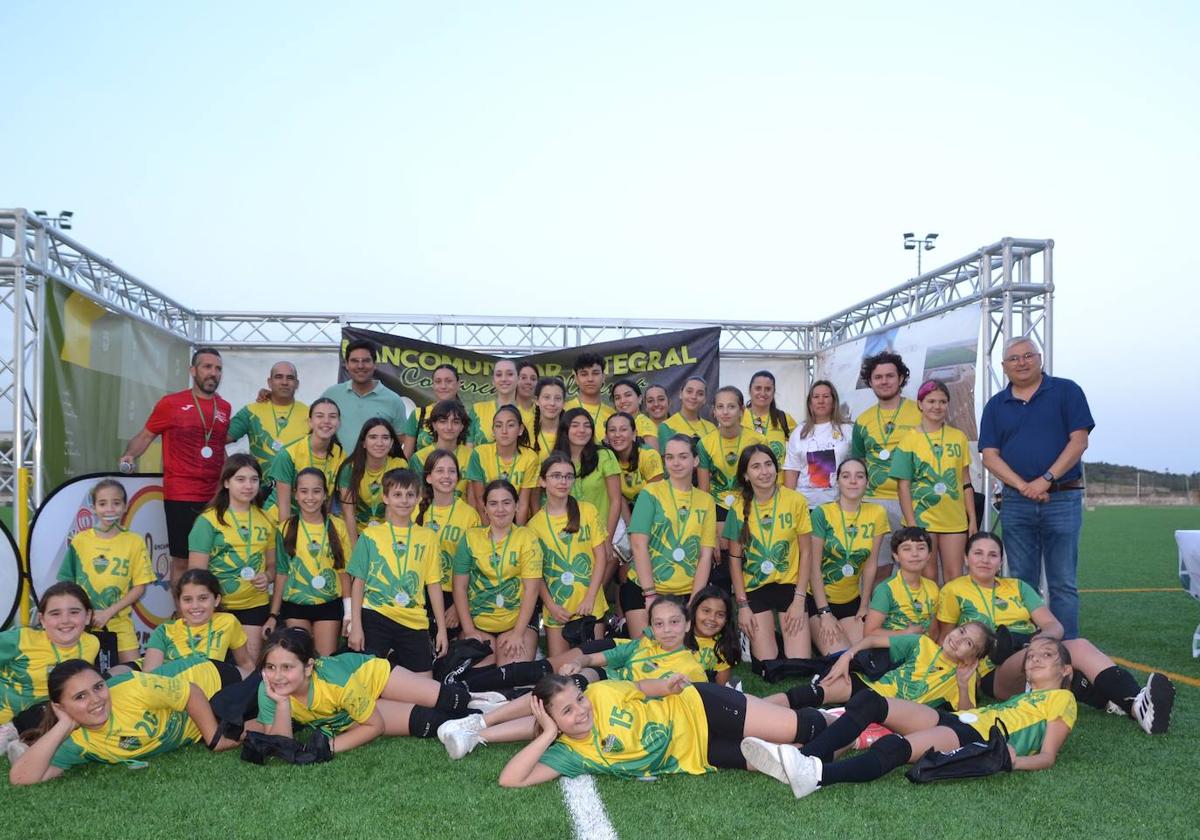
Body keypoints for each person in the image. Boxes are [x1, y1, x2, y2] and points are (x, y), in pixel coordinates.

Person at [742, 635, 1077, 798]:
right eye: (1031, 654)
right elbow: (970, 714)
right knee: (873, 702)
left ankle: (816, 776)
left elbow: (1048, 756)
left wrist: (1015, 762)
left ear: (1065, 669)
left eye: (1046, 655)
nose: (1034, 659)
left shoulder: (1063, 698)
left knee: (896, 748)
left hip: (976, 738)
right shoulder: (1024, 696)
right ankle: (803, 760)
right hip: (960, 723)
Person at [938, 531, 1175, 734]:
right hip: (994, 673)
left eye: (993, 555)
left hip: (1032, 649)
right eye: (978, 553)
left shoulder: (1018, 587)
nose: (985, 560)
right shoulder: (953, 590)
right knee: (1068, 652)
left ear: (1001, 561)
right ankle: (1130, 702)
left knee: (1073, 648)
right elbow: (944, 640)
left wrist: (1041, 639)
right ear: (966, 557)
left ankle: (1135, 705)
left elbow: (1055, 626)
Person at [493, 671, 827, 786]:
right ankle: (859, 734)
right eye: (566, 711)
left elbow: (641, 687)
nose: (581, 710)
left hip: (700, 707)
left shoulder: (602, 692)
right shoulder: (569, 754)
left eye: (578, 699)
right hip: (701, 754)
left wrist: (667, 687)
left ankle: (845, 717)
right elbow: (510, 779)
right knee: (796, 759)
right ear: (552, 720)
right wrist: (549, 734)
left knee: (804, 727)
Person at [979, 336, 1094, 640]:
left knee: (1063, 583)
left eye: (1028, 355)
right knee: (1021, 582)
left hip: (1063, 497)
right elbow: (989, 455)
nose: (1022, 362)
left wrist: (1046, 479)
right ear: (1004, 367)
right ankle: (1026, 647)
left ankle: (1067, 649)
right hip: (1017, 502)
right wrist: (1023, 486)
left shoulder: (1067, 391)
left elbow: (1079, 441)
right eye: (1014, 358)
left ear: (1040, 358)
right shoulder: (995, 406)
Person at [255, 628, 496, 753]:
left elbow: (376, 727)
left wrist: (329, 747)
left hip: (373, 677)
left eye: (287, 667)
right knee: (429, 723)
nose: (277, 676)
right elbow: (280, 743)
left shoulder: (334, 681)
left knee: (452, 699)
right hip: (352, 712)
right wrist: (282, 704)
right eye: (271, 667)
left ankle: (501, 703)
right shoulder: (269, 689)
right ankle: (484, 720)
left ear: (308, 667)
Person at [9, 655, 241, 784]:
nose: (95, 700)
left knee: (268, 693)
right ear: (60, 707)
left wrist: (214, 739)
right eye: (80, 696)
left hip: (212, 679)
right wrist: (64, 726)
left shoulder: (132, 688)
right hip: (212, 716)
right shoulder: (77, 741)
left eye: (98, 687)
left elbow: (192, 692)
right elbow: (21, 778)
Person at [120, 347, 231, 583]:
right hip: (181, 493)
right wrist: (129, 455)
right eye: (207, 367)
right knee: (182, 560)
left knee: (211, 559)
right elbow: (146, 436)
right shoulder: (171, 403)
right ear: (193, 370)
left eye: (218, 368)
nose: (213, 373)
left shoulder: (225, 407)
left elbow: (219, 448)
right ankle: (183, 617)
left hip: (214, 496)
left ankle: (205, 614)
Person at [347, 469, 446, 676]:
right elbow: (358, 582)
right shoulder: (370, 535)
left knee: (424, 686)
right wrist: (356, 625)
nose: (404, 501)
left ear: (419, 498)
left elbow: (434, 584)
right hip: (376, 616)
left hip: (413, 619)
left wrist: (441, 630)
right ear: (385, 497)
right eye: (397, 495)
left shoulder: (427, 536)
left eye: (410, 495)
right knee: (369, 682)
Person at [724, 444, 813, 661]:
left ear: (776, 468)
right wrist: (742, 605)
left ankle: (781, 631)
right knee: (767, 660)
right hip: (756, 586)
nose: (764, 472)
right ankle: (760, 633)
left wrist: (800, 599)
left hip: (789, 584)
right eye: (755, 467)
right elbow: (734, 559)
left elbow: (807, 552)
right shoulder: (737, 507)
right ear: (746, 475)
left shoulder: (796, 500)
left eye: (768, 464)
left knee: (799, 660)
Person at [187, 453, 277, 663]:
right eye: (241, 479)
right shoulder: (208, 521)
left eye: (254, 480)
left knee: (249, 670)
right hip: (217, 608)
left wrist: (268, 576)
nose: (248, 486)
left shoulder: (266, 520)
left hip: (254, 607)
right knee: (213, 669)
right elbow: (196, 576)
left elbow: (273, 565)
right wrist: (208, 605)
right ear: (226, 482)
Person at [625, 435, 717, 639]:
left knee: (687, 659)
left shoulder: (706, 501)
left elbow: (705, 555)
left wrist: (694, 603)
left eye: (683, 457)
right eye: (670, 457)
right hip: (645, 590)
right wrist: (650, 595)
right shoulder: (650, 493)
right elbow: (639, 545)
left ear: (695, 461)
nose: (676, 463)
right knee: (648, 656)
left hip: (687, 592)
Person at [56, 479, 154, 668]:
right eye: (102, 503)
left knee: (134, 675)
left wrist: (108, 612)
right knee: (81, 674)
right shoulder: (80, 540)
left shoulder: (134, 541)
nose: (110, 509)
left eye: (116, 503)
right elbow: (66, 585)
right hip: (83, 625)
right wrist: (84, 615)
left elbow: (140, 588)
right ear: (93, 508)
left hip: (120, 623)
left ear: (125, 507)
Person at [891, 380, 976, 582]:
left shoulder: (959, 437)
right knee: (927, 577)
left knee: (954, 576)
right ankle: (931, 616)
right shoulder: (908, 440)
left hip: (954, 520)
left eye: (942, 401)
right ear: (920, 404)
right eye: (931, 401)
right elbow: (903, 487)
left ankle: (950, 615)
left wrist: (971, 519)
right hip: (922, 520)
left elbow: (965, 481)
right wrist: (912, 524)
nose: (937, 406)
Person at [452, 480, 544, 667]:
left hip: (517, 623)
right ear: (484, 508)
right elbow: (459, 588)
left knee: (511, 674)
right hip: (478, 624)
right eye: (493, 503)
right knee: (479, 675)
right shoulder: (470, 537)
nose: (500, 509)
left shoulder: (527, 537)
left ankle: (532, 649)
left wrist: (518, 633)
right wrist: (469, 630)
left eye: (507, 502)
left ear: (517, 506)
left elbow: (532, 590)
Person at [528, 454, 609, 656]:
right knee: (560, 672)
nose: (563, 481)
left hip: (590, 605)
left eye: (568, 476)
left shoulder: (588, 511)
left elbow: (601, 556)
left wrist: (590, 598)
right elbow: (535, 574)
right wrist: (551, 606)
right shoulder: (534, 525)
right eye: (556, 476)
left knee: (592, 667)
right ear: (543, 481)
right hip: (558, 609)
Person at [850, 351, 922, 579]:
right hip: (874, 502)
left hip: (913, 500)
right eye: (878, 377)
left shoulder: (920, 412)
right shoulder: (863, 420)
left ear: (901, 378)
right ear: (870, 382)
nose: (884, 381)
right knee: (877, 567)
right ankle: (874, 613)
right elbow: (860, 461)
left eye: (890, 376)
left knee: (912, 567)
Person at [808, 458, 889, 654]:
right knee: (840, 657)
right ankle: (813, 630)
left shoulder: (877, 513)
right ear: (838, 481)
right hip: (818, 601)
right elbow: (813, 567)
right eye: (846, 476)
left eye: (859, 476)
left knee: (864, 655)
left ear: (867, 483)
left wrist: (864, 606)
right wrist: (825, 612)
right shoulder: (822, 513)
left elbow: (871, 565)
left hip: (852, 601)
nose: (853, 481)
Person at [0, 583, 99, 742]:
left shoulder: (92, 644)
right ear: (42, 619)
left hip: (47, 719)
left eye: (74, 612)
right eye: (55, 613)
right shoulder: (21, 640)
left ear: (88, 616)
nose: (65, 620)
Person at [270, 468, 352, 657]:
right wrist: (273, 614)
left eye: (316, 491)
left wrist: (349, 613)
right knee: (299, 658)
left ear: (325, 494)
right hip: (295, 605)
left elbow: (344, 572)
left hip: (328, 604)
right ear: (295, 495)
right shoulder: (285, 528)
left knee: (325, 661)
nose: (310, 497)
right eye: (304, 491)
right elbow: (281, 573)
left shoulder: (338, 526)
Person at [414, 449, 481, 637]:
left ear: (458, 477)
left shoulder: (469, 515)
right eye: (440, 470)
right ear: (428, 477)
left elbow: (476, 566)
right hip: (420, 594)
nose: (446, 476)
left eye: (451, 471)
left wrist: (458, 606)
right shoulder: (414, 510)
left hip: (454, 595)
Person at [143, 569, 253, 674]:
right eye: (187, 600)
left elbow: (245, 663)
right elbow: (150, 676)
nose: (195, 606)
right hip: (174, 690)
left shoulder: (228, 622)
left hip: (214, 690)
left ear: (216, 600)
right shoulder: (164, 631)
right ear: (179, 602)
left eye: (203, 598)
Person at [552, 408, 621, 555]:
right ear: (565, 429)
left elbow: (616, 500)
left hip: (604, 533)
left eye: (587, 425)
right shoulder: (556, 460)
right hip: (571, 535)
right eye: (575, 425)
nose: (582, 430)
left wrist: (607, 540)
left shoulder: (604, 456)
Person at [321, 338, 407, 455]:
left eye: (366, 360)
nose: (360, 366)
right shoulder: (331, 395)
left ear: (375, 364)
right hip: (337, 470)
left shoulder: (393, 400)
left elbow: (401, 438)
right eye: (354, 361)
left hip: (378, 471)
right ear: (346, 364)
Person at [264, 397, 346, 520]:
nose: (326, 421)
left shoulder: (341, 455)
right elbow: (283, 507)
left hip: (311, 521)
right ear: (310, 422)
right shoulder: (288, 454)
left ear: (339, 423)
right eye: (319, 416)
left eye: (332, 417)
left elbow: (328, 500)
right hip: (278, 520)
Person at [227, 361, 309, 472]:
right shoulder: (250, 412)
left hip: (297, 487)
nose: (284, 382)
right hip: (259, 488)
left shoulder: (310, 414)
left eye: (290, 378)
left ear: (297, 383)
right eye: (279, 377)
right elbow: (217, 439)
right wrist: (228, 470)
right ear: (269, 382)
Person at [783, 380, 854, 508]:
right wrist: (789, 504)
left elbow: (857, 465)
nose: (821, 401)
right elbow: (791, 470)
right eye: (816, 397)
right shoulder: (799, 432)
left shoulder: (847, 430)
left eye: (826, 396)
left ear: (834, 402)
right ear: (810, 403)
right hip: (805, 506)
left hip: (838, 504)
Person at [465, 405, 540, 524]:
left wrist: (517, 534)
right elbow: (480, 500)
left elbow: (523, 503)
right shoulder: (479, 453)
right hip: (486, 519)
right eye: (499, 426)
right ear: (493, 431)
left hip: (514, 520)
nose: (504, 431)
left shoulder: (530, 457)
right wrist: (488, 532)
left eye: (510, 425)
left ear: (520, 429)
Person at [337, 417, 408, 543]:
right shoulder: (350, 468)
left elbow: (394, 508)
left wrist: (387, 543)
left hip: (387, 535)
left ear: (392, 443)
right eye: (373, 437)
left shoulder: (399, 465)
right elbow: (348, 513)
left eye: (385, 438)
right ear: (363, 442)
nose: (379, 443)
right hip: (356, 534)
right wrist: (355, 548)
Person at [865, 527, 941, 638]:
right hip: (892, 651)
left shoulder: (933, 587)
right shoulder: (886, 589)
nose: (915, 554)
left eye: (921, 548)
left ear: (929, 555)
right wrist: (904, 634)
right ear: (896, 556)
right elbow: (869, 632)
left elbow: (934, 631)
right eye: (906, 549)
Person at [605, 411, 664, 522]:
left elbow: (657, 496)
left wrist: (639, 527)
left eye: (623, 429)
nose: (617, 435)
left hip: (655, 513)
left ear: (634, 434)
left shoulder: (648, 455)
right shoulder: (607, 459)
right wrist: (630, 528)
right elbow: (618, 497)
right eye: (612, 430)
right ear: (607, 437)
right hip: (627, 513)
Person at [407, 400, 472, 499]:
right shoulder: (419, 458)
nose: (449, 427)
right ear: (434, 425)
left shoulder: (472, 456)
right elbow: (417, 498)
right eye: (443, 421)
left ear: (462, 426)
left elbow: (475, 497)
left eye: (455, 422)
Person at [401, 363, 467, 457]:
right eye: (438, 381)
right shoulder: (419, 414)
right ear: (433, 385)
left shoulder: (467, 415)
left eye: (448, 381)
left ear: (458, 384)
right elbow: (406, 456)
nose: (443, 386)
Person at [743, 370, 797, 471]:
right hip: (745, 484)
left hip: (778, 484)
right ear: (750, 390)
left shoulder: (784, 419)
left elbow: (799, 450)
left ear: (774, 391)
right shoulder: (738, 417)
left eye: (768, 389)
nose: (762, 393)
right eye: (758, 388)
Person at [689, 586, 739, 685]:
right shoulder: (677, 636)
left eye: (720, 614)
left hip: (703, 693)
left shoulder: (723, 645)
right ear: (694, 610)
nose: (712, 618)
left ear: (726, 620)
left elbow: (720, 688)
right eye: (706, 611)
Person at [471, 359, 527, 445]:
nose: (504, 379)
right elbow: (468, 446)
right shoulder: (477, 410)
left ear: (519, 379)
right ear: (493, 381)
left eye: (510, 374)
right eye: (499, 375)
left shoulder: (530, 412)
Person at [563, 353, 614, 443]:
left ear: (603, 377)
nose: (590, 379)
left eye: (595, 373)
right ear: (576, 379)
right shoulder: (564, 410)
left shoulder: (612, 415)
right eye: (584, 374)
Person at [657, 376, 715, 450]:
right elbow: (667, 459)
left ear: (705, 399)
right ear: (681, 394)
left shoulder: (711, 428)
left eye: (700, 394)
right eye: (689, 391)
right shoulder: (667, 426)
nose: (694, 396)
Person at [610, 379, 658, 449]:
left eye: (628, 395)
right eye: (617, 398)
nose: (622, 401)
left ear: (640, 398)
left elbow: (653, 457)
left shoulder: (645, 424)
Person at [530, 376, 566, 461]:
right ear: (536, 400)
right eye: (546, 397)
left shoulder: (571, 433)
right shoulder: (527, 432)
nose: (552, 403)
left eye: (558, 398)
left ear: (564, 402)